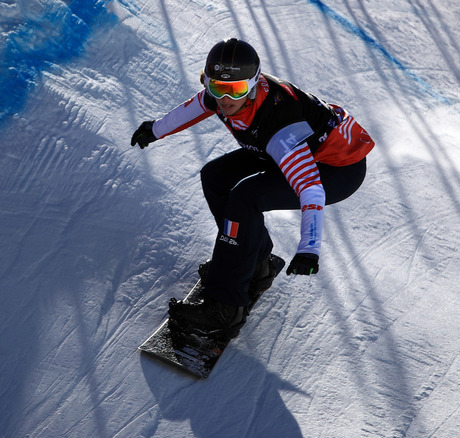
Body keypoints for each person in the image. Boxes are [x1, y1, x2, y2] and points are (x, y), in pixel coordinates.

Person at [131, 38, 375, 338]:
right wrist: (154, 129)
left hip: (334, 168)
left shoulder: (281, 130)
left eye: (235, 90)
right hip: (278, 148)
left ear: (255, 84)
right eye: (216, 86)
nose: (224, 99)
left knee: (245, 198)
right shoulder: (224, 95)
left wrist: (309, 248)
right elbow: (196, 106)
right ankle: (255, 265)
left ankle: (225, 310)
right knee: (215, 177)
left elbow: (310, 188)